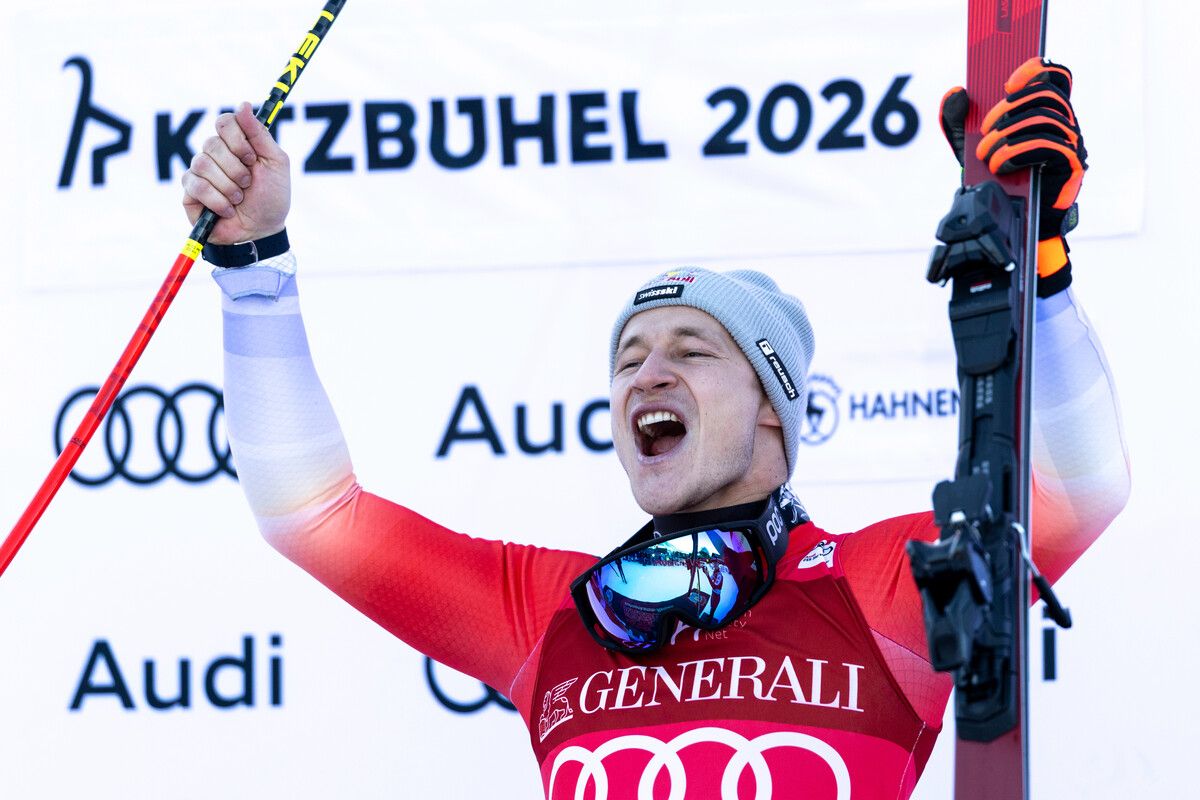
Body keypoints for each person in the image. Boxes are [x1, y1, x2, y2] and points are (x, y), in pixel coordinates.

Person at [182, 59, 1129, 798]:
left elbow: (1079, 490)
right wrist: (254, 269)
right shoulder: (552, 614)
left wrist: (1040, 269)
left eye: (691, 349)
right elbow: (310, 513)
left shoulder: (873, 588)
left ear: (773, 403)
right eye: (628, 358)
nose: (648, 375)